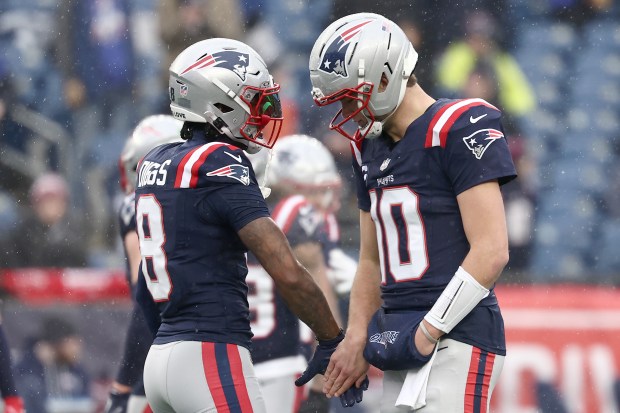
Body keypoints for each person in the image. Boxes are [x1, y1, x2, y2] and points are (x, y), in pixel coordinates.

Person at [307, 12, 517, 412]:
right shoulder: (365, 146)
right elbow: (371, 258)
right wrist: (355, 338)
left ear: (384, 79)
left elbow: (492, 249)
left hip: (457, 333)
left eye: (351, 95)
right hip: (398, 335)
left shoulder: (458, 125)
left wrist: (427, 331)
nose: (348, 109)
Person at [133, 38, 346, 413]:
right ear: (218, 101)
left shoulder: (155, 161)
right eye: (253, 100)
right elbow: (286, 270)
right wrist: (332, 339)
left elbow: (144, 291)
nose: (260, 113)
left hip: (162, 356)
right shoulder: (220, 161)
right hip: (211, 353)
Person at [246, 135, 357, 413]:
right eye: (316, 191)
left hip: (243, 359)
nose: (325, 201)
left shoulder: (249, 217)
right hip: (286, 360)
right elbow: (312, 286)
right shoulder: (296, 211)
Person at [104, 115, 184, 413]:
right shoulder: (198, 197)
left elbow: (146, 295)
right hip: (204, 341)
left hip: (160, 347)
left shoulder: (137, 204)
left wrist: (124, 380)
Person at [6, 173, 88, 268]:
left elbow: (78, 266)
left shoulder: (76, 231)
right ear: (35, 205)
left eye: (54, 200)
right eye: (45, 201)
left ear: (64, 204)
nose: (49, 207)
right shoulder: (21, 234)